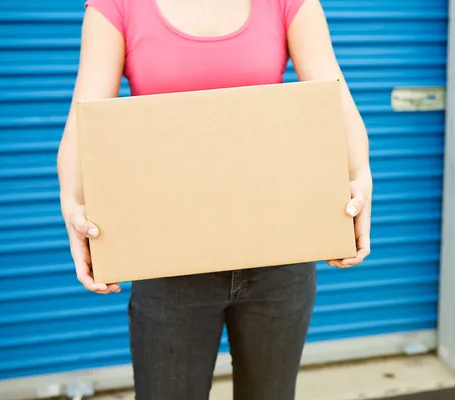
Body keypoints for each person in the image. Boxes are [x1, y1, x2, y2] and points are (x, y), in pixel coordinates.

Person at [57, 0, 372, 398]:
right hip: (167, 261)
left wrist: (360, 175)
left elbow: (337, 100)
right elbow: (85, 120)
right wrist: (72, 203)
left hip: (278, 252)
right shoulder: (117, 6)